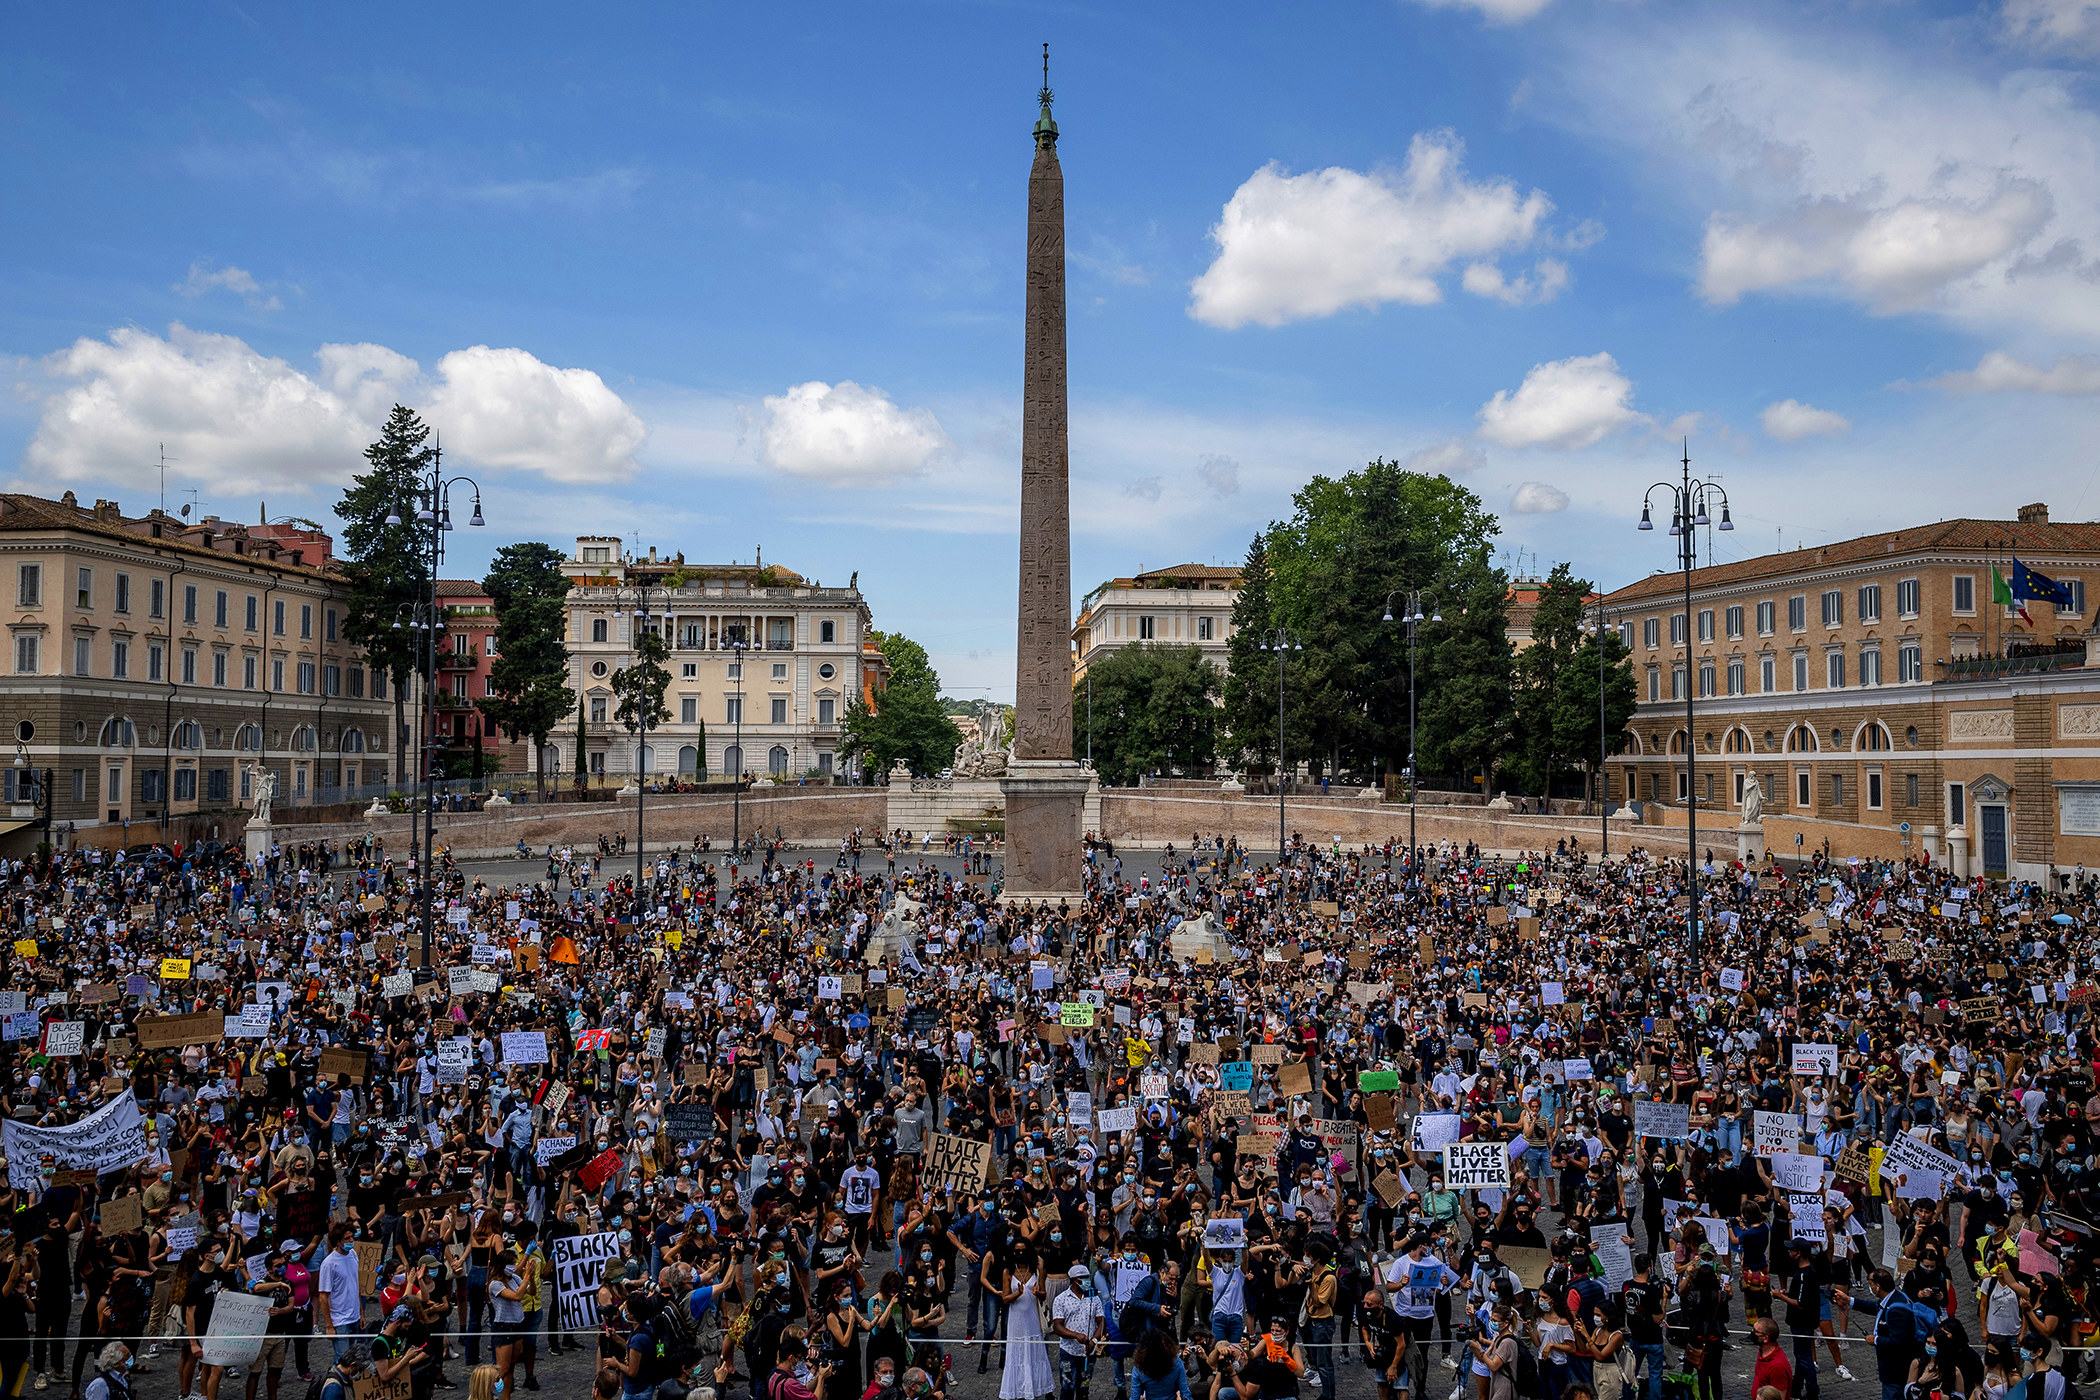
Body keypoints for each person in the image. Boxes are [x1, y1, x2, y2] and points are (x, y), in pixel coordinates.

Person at [996, 1249, 1056, 1400]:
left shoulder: (1036, 1270)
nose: (1021, 1253)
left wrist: (1036, 1292)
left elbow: (1043, 1293)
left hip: (1032, 1318)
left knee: (1034, 1352)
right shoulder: (1008, 1272)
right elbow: (1005, 1298)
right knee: (1017, 1353)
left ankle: (1035, 1388)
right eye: (1017, 1251)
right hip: (1016, 1320)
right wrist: (1017, 1293)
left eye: (1024, 1250)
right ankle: (1020, 1391)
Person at [1050, 1268, 1106, 1400]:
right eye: (1084, 1277)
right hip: (1068, 1351)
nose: (1087, 1280)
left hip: (1088, 1353)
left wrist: (1094, 1341)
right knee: (1067, 1388)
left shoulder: (1094, 1298)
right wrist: (1076, 1336)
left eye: (1088, 1277)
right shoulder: (1061, 1299)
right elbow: (1058, 1326)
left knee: (1084, 1389)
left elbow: (1101, 1322)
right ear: (1075, 1280)